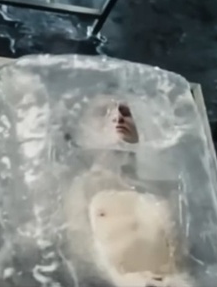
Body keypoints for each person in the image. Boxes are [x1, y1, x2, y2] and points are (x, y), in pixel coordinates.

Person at [65, 98, 191, 287]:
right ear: (81, 130)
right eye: (103, 113)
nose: (117, 117)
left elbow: (182, 255)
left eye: (126, 112)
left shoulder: (162, 188)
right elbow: (80, 251)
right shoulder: (81, 189)